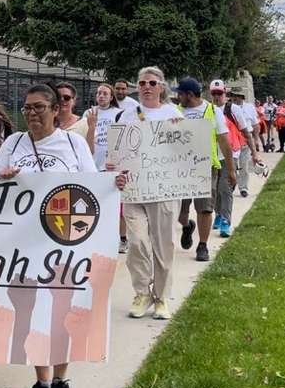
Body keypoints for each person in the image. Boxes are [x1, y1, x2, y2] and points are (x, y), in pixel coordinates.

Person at [0, 84, 114, 388]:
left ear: (54, 110)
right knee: (32, 309)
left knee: (60, 309)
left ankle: (62, 382)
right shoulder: (13, 143)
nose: (32, 113)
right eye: (26, 108)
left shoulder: (73, 143)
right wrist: (3, 179)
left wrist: (112, 186)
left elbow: (92, 188)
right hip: (24, 242)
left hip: (63, 243)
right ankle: (42, 382)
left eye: (38, 107)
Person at [113, 67, 183, 320]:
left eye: (152, 83)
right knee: (137, 242)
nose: (146, 87)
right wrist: (115, 171)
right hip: (134, 189)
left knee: (164, 245)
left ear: (161, 86)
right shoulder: (126, 115)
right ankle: (142, 292)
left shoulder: (173, 114)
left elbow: (184, 152)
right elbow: (118, 151)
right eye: (142, 82)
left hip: (163, 189)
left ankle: (162, 297)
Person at [173, 78, 235, 263]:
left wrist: (231, 170)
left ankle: (202, 245)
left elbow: (224, 140)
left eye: (180, 94)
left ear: (189, 95)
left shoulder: (212, 111)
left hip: (205, 167)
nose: (178, 97)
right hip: (181, 168)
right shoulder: (175, 111)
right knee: (179, 211)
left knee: (205, 208)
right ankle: (186, 226)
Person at [83, 83, 127, 254]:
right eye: (99, 93)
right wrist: (92, 125)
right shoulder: (89, 114)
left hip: (113, 166)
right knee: (97, 205)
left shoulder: (118, 114)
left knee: (119, 206)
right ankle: (101, 238)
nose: (101, 96)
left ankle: (122, 238)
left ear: (111, 97)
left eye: (105, 93)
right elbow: (85, 141)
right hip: (94, 165)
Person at [208, 81, 247, 238]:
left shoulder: (234, 109)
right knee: (214, 189)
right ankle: (218, 213)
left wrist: (255, 152)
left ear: (225, 94)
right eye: (214, 94)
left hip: (229, 155)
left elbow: (246, 131)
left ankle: (226, 220)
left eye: (220, 93)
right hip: (212, 156)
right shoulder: (207, 109)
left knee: (226, 188)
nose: (217, 96)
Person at [230, 90, 263, 198]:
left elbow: (256, 125)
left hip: (245, 139)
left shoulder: (250, 108)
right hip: (232, 141)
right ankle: (231, 185)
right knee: (232, 166)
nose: (235, 98)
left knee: (244, 165)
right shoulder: (228, 108)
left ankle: (243, 187)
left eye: (238, 96)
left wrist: (256, 139)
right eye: (234, 96)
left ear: (242, 97)